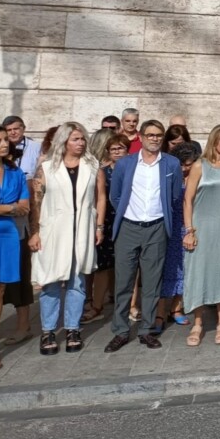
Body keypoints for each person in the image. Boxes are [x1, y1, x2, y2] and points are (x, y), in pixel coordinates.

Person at [103, 120, 183, 352]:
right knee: (124, 281)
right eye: (150, 135)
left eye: (159, 135)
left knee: (152, 281)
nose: (155, 139)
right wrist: (129, 213)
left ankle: (146, 330)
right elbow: (115, 196)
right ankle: (120, 330)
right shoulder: (126, 164)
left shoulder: (172, 163)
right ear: (141, 136)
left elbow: (175, 195)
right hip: (128, 227)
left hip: (157, 227)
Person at [28, 123, 101, 356]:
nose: (80, 143)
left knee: (77, 280)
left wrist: (98, 226)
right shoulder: (47, 167)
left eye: (82, 139)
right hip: (53, 230)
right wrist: (35, 231)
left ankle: (72, 328)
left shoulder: (92, 166)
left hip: (82, 229)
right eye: (76, 139)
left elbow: (100, 197)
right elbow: (36, 202)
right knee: (50, 281)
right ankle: (48, 330)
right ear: (64, 141)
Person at [181, 125, 220, 346]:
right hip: (201, 227)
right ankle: (197, 323)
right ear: (214, 140)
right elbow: (188, 200)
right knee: (199, 273)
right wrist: (189, 230)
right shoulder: (199, 166)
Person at [0, 124, 30, 370]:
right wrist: (9, 207)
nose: (4, 144)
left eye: (5, 140)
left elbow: (25, 206)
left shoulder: (15, 173)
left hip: (7, 235)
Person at [1, 116, 38, 343]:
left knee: (19, 279)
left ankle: (23, 326)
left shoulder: (17, 175)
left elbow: (24, 206)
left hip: (16, 232)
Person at [84, 131, 128, 323]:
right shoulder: (102, 170)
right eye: (113, 149)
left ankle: (127, 305)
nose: (117, 152)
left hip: (128, 220)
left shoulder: (135, 169)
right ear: (108, 151)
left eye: (121, 148)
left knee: (127, 265)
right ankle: (97, 305)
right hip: (107, 220)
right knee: (103, 265)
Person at [156, 138, 196, 332]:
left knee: (186, 269)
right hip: (170, 228)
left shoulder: (196, 177)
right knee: (168, 270)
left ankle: (177, 308)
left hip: (189, 228)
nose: (185, 168)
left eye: (189, 165)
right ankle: (160, 312)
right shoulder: (169, 176)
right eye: (182, 164)